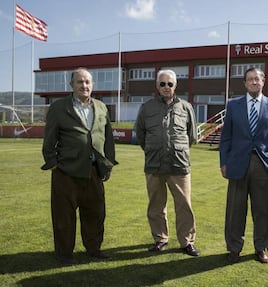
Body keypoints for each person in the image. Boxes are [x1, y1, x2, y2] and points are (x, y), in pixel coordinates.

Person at [41, 67, 117, 265]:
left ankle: (94, 250)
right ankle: (64, 255)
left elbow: (108, 138)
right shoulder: (59, 107)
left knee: (96, 213)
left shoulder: (101, 107)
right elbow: (49, 140)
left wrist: (107, 164)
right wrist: (53, 164)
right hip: (66, 172)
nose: (84, 85)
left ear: (92, 85)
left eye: (87, 82)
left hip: (94, 170)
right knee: (64, 217)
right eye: (79, 82)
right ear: (71, 85)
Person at [219, 67, 268, 264]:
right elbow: (226, 138)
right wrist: (224, 162)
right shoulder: (233, 105)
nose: (254, 82)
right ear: (245, 83)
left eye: (257, 79)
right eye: (250, 79)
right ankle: (233, 248)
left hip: (264, 165)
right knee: (235, 210)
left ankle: (261, 247)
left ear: (263, 81)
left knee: (263, 209)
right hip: (237, 164)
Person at [134, 69, 199, 257]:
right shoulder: (147, 108)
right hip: (154, 165)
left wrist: (176, 149)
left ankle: (187, 242)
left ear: (175, 85)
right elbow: (141, 135)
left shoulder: (186, 107)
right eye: (162, 83)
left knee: (184, 205)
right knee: (156, 205)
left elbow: (192, 136)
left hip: (179, 165)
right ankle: (160, 239)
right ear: (157, 86)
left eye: (170, 84)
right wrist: (153, 149)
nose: (166, 87)